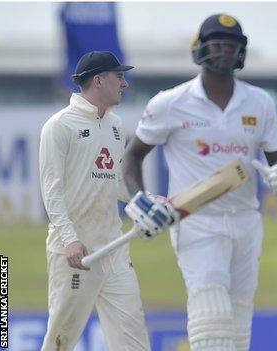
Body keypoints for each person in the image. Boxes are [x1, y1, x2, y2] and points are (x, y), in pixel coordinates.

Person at [121, 14, 277, 351]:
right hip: (195, 220)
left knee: (238, 320)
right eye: (217, 45)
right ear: (199, 49)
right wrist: (138, 200)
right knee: (211, 314)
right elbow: (132, 158)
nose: (224, 52)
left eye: (231, 46)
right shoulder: (171, 102)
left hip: (246, 220)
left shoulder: (259, 102)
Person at [39, 51, 176, 350]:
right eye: (119, 77)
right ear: (99, 80)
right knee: (62, 338)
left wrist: (146, 200)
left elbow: (114, 181)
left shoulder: (114, 125)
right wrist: (71, 240)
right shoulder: (59, 126)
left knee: (132, 337)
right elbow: (52, 191)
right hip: (76, 252)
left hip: (113, 249)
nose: (125, 84)